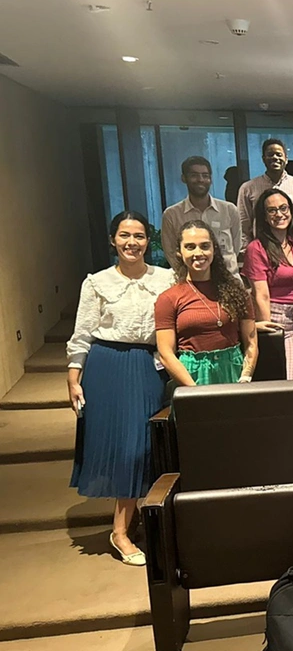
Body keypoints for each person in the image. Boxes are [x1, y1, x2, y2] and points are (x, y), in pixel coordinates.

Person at [68, 211, 175, 566]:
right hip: (109, 366)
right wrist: (73, 375)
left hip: (150, 365)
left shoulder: (166, 278)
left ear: (149, 241)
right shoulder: (97, 283)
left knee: (149, 447)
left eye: (140, 236)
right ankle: (121, 531)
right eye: (125, 236)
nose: (132, 242)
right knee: (127, 447)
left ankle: (142, 517)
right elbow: (83, 333)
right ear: (113, 240)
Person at [155, 220, 258, 388]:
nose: (198, 253)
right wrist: (194, 391)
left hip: (232, 371)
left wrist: (245, 377)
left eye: (204, 246)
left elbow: (251, 343)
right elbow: (166, 353)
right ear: (179, 252)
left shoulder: (237, 292)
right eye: (190, 247)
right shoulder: (168, 298)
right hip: (190, 376)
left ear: (214, 249)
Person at [242, 190, 293, 379]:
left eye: (283, 208)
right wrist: (270, 334)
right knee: (282, 379)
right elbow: (260, 294)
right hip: (274, 321)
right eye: (271, 210)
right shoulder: (256, 248)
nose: (279, 214)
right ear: (264, 216)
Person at [161, 156, 240, 275]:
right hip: (191, 283)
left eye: (205, 175)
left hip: (229, 279)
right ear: (184, 178)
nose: (200, 179)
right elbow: (171, 253)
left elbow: (236, 247)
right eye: (194, 175)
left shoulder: (229, 210)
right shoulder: (172, 215)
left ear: (211, 179)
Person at [237, 138, 293, 248]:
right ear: (263, 159)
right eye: (270, 154)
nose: (275, 158)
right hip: (261, 250)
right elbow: (243, 225)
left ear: (286, 159)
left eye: (279, 154)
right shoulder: (247, 189)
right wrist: (248, 251)